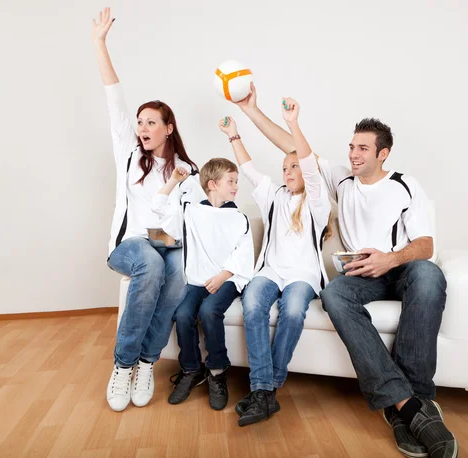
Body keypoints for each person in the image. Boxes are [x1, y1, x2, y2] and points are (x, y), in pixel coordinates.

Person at [233, 85, 457, 456]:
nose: (353, 154)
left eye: (363, 148)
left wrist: (390, 258)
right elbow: (291, 144)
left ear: (382, 154)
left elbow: (425, 246)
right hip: (358, 278)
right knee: (333, 295)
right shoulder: (342, 180)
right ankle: (410, 407)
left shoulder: (404, 185)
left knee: (430, 274)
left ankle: (412, 402)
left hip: (399, 270)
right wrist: (253, 111)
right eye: (352, 147)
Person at [92, 7, 205, 412]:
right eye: (140, 121)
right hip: (128, 245)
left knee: (175, 270)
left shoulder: (186, 171)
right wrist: (100, 43)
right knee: (153, 265)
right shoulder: (127, 152)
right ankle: (123, 365)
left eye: (151, 121)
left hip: (163, 243)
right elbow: (113, 97)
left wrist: (178, 192)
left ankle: (146, 361)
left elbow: (183, 222)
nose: (142, 127)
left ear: (168, 128)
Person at [221, 99, 331, 427]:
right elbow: (249, 169)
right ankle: (264, 392)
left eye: (294, 166)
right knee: (252, 306)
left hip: (303, 275)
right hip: (270, 271)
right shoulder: (273, 194)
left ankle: (266, 389)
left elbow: (311, 168)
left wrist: (293, 123)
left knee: (294, 310)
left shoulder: (317, 202)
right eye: (285, 168)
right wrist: (233, 135)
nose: (288, 172)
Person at [152, 157, 254, 410]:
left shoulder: (239, 218)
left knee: (209, 311)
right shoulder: (191, 211)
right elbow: (157, 207)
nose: (235, 186)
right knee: (183, 313)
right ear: (212, 184)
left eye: (236, 181)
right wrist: (175, 180)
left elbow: (243, 254)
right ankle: (190, 370)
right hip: (198, 279)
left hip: (228, 277)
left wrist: (223, 276)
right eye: (231, 181)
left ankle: (217, 373)